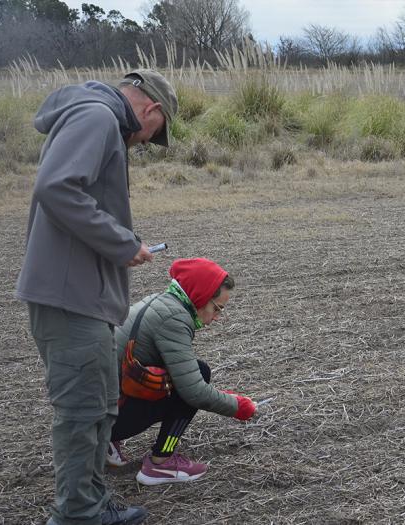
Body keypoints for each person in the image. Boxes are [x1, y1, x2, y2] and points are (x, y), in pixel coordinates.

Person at [16, 69, 178, 525]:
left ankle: (91, 500)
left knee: (99, 405)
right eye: (152, 135)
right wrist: (122, 243)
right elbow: (56, 187)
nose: (143, 143)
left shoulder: (98, 116)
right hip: (70, 298)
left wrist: (119, 242)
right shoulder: (98, 117)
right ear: (152, 109)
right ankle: (77, 514)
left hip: (82, 294)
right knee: (81, 411)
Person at [106, 258, 258, 486]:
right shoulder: (174, 318)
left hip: (98, 410)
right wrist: (238, 406)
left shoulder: (160, 302)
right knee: (199, 375)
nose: (217, 317)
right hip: (110, 418)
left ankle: (107, 442)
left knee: (190, 375)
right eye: (217, 308)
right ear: (200, 296)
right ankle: (160, 462)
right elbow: (194, 391)